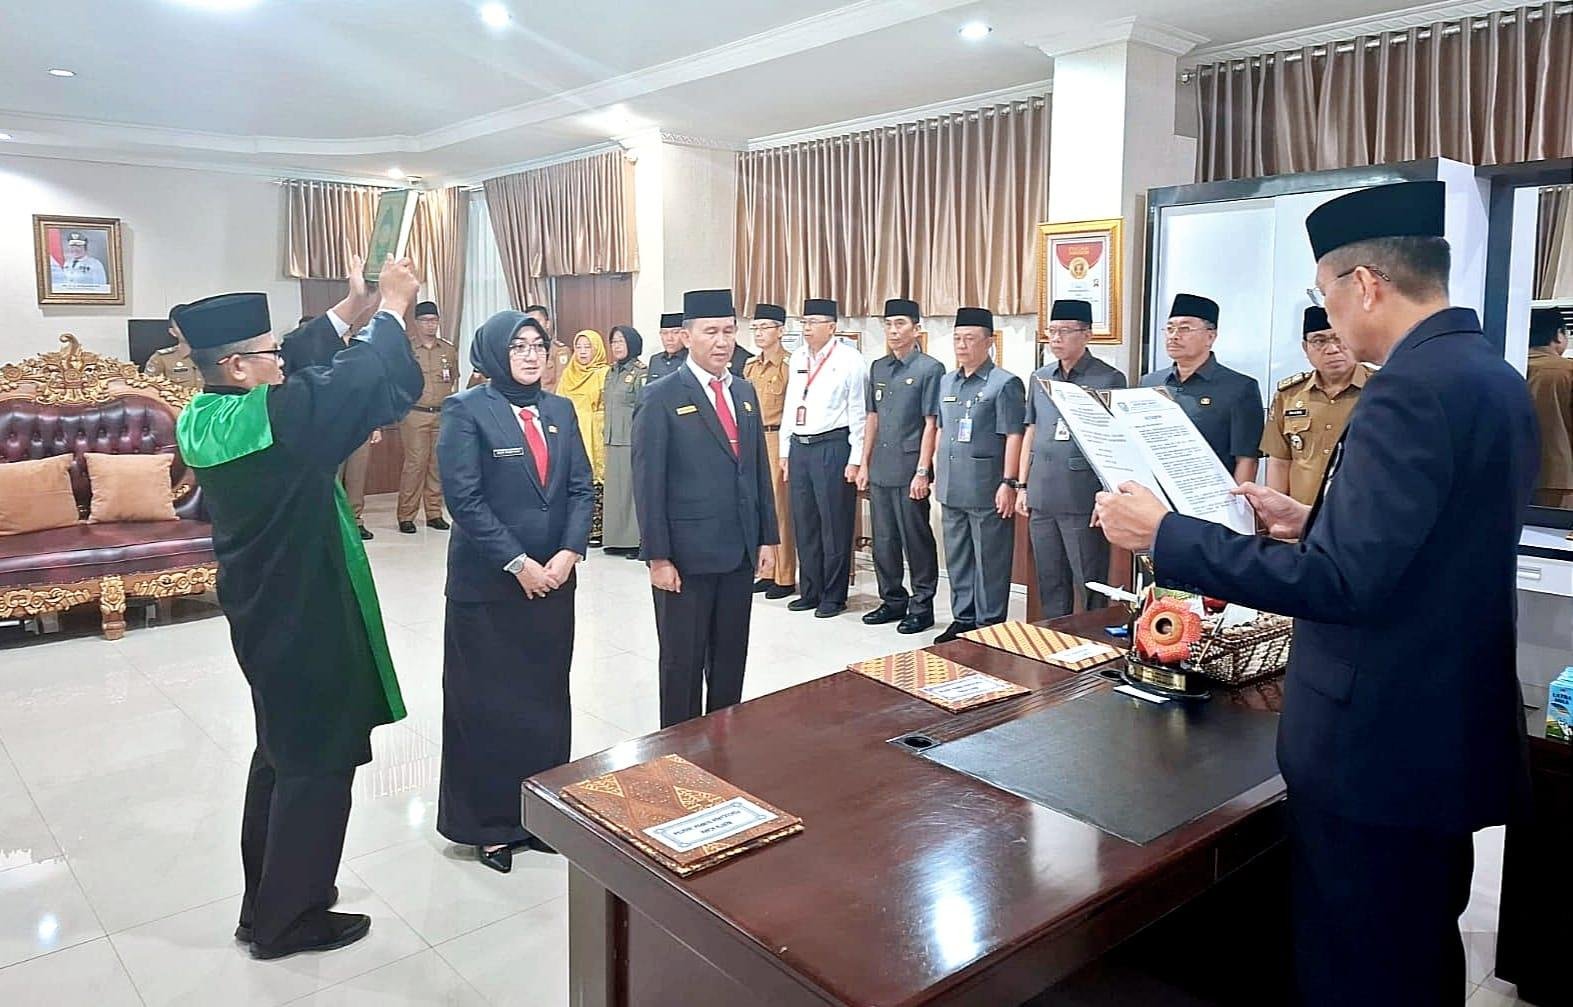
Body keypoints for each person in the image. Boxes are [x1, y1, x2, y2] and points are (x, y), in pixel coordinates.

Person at [1093, 181, 1538, 1006]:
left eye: (1323, 294)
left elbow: (1344, 584)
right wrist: (1311, 518)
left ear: (1363, 283)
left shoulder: (1406, 389)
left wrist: (1166, 535)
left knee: (1358, 961)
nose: (1326, 316)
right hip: (1442, 725)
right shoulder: (1486, 373)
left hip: (1378, 741)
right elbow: (1432, 544)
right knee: (1414, 947)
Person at [173, 255, 423, 960]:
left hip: (263, 617)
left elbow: (310, 369)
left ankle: (266, 900)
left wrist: (350, 308)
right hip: (306, 614)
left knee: (279, 756)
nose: (282, 358)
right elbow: (352, 381)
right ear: (240, 367)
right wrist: (393, 310)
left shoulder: (207, 414)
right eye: (268, 353)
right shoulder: (278, 420)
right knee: (318, 763)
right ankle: (292, 919)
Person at [436, 311, 593, 873]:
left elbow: (579, 488)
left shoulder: (560, 409)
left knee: (545, 699)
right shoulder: (466, 410)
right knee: (487, 706)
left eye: (538, 345)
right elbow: (465, 500)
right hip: (490, 587)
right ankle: (490, 825)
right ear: (494, 352)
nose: (531, 355)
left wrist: (568, 554)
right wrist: (518, 562)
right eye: (518, 346)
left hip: (554, 580)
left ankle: (540, 813)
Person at [633, 288, 778, 727]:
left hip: (737, 553)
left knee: (730, 660)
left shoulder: (745, 392)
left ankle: (723, 747)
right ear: (687, 336)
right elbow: (647, 482)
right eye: (711, 332)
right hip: (685, 558)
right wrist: (657, 556)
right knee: (682, 665)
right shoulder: (660, 395)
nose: (722, 341)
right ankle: (677, 754)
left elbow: (756, 470)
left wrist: (767, 537)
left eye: (729, 331)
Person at [1017, 299, 1126, 618]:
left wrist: (1106, 497)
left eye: (1065, 331)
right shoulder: (1040, 377)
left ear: (1087, 335)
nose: (1056, 339)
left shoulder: (1108, 379)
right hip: (1042, 493)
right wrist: (1022, 486)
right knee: (1050, 580)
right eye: (1052, 331)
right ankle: (1056, 641)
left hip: (1082, 497)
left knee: (1089, 580)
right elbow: (1032, 430)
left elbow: (1114, 445)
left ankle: (1093, 642)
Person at [934, 308, 1025, 644]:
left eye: (970, 339)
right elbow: (942, 429)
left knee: (990, 560)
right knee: (957, 557)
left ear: (989, 342)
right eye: (957, 338)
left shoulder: (1004, 383)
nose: (962, 345)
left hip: (987, 486)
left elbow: (1014, 434)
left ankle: (989, 623)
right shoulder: (946, 380)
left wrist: (1009, 482)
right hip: (952, 484)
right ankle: (963, 618)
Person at [856, 298, 944, 634]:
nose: (894, 331)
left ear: (916, 328)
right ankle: (892, 599)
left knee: (915, 539)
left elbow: (930, 424)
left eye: (901, 324)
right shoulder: (878, 367)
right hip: (881, 466)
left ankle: (922, 606)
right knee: (884, 540)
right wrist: (863, 462)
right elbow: (872, 418)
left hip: (910, 469)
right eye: (889, 324)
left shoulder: (929, 368)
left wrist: (923, 469)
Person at [780, 297, 866, 619]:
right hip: (800, 447)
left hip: (833, 445)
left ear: (832, 326)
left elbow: (858, 412)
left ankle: (834, 594)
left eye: (813, 322)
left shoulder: (850, 360)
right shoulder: (798, 358)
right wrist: (785, 451)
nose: (807, 328)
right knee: (805, 522)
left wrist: (855, 459)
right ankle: (810, 589)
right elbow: (792, 404)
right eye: (803, 322)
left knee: (834, 524)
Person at [1140, 294, 1264, 483]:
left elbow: (1246, 458)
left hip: (1210, 496)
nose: (1174, 336)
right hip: (1157, 494)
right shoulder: (1149, 382)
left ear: (1210, 336)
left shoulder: (1240, 388)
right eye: (1170, 328)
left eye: (1185, 329)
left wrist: (1241, 506)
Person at [1261, 306, 1374, 507]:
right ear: (1306, 348)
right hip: (1301, 523)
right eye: (1319, 341)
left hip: (1362, 518)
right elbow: (1279, 462)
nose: (1331, 349)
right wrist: (1276, 511)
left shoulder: (1382, 390)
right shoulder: (1288, 396)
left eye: (1339, 338)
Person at [743, 304, 797, 599]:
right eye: (756, 328)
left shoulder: (789, 365)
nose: (760, 333)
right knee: (758, 507)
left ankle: (785, 575)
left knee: (779, 511)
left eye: (765, 327)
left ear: (780, 330)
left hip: (777, 439)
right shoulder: (750, 366)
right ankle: (765, 569)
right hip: (753, 439)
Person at [396, 301, 458, 534]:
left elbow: (452, 378)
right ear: (416, 323)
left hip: (442, 414)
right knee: (415, 464)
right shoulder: (408, 350)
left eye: (434, 320)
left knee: (437, 464)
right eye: (425, 320)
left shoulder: (448, 350)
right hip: (415, 414)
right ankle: (406, 515)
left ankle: (433, 513)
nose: (430, 325)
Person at [559, 329, 611, 545]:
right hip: (572, 432)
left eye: (587, 347)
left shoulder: (605, 373)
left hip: (595, 434)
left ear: (597, 349)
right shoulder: (569, 372)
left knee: (596, 479)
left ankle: (597, 531)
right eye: (578, 347)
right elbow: (559, 402)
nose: (582, 352)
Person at [602, 325, 648, 555]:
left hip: (631, 438)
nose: (616, 346)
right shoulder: (611, 372)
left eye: (621, 341)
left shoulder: (641, 372)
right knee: (615, 492)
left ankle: (635, 541)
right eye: (613, 342)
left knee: (631, 492)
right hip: (612, 438)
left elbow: (644, 408)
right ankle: (616, 539)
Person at [1526, 307, 1573, 508]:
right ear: (1558, 335)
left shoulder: (1506, 365)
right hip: (1558, 478)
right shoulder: (1567, 371)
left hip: (1511, 473)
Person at [144, 307, 204, 393]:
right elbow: (148, 392)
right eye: (182, 326)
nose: (189, 329)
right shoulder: (161, 359)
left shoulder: (215, 357)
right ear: (173, 332)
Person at [647, 312, 688, 381]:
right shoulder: (655, 360)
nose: (669, 338)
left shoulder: (693, 359)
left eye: (675, 332)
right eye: (665, 333)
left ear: (685, 334)